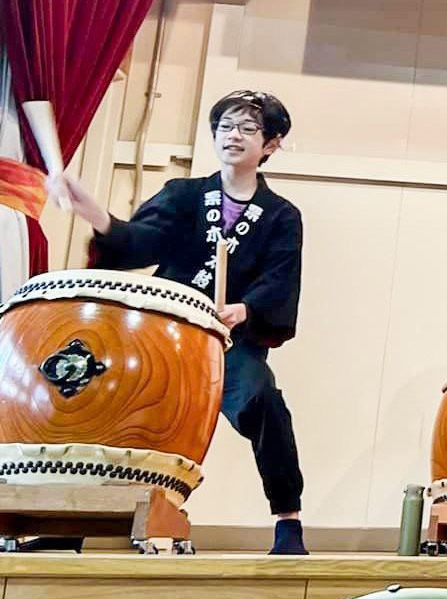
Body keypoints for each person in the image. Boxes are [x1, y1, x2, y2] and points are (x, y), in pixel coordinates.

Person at [50, 90, 308, 555]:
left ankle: (287, 521)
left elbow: (280, 277)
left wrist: (246, 308)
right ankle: (70, 522)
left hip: (228, 342)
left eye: (249, 128)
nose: (234, 135)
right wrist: (98, 215)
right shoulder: (184, 195)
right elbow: (141, 240)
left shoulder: (281, 215)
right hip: (165, 333)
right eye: (225, 126)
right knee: (106, 402)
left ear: (270, 144)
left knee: (262, 402)